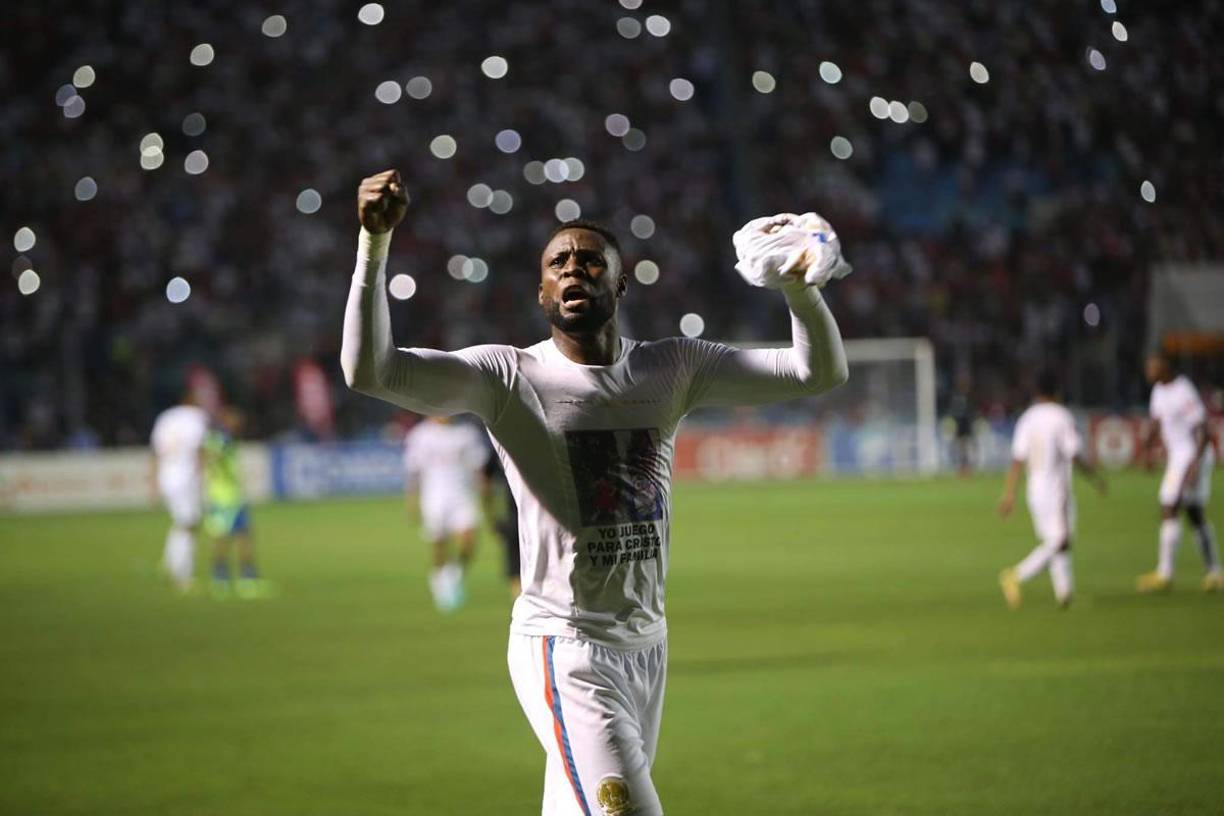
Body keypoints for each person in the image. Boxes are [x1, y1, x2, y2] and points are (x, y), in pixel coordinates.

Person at [341, 169, 849, 816]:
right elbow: (370, 371)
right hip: (565, 647)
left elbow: (818, 372)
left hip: (647, 643)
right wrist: (373, 244)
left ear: (621, 281)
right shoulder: (508, 376)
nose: (574, 269)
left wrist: (800, 292)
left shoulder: (673, 366)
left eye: (589, 260)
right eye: (559, 263)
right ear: (542, 290)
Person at [996, 370, 1107, 609]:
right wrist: (1095, 478)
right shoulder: (1061, 416)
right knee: (1061, 539)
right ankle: (1015, 575)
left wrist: (1009, 495)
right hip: (1056, 488)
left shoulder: (1027, 418)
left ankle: (1064, 594)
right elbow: (1074, 454)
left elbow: (1017, 460)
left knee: (1055, 539)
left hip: (1034, 489)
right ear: (1057, 391)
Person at [1136, 352, 1221, 592]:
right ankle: (1214, 572)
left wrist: (1194, 464)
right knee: (1194, 513)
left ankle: (1165, 573)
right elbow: (1156, 422)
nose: (1148, 371)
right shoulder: (1159, 391)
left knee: (1169, 506)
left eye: (1152, 366)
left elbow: (1203, 428)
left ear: (1165, 366)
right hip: (1179, 457)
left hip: (1191, 456)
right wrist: (1147, 450)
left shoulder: (1183, 390)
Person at [402, 416, 490, 611]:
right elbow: (413, 471)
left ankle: (453, 576)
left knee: (469, 541)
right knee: (439, 547)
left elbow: (478, 467)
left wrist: (484, 491)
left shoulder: (467, 432)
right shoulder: (421, 435)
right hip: (434, 498)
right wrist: (411, 502)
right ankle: (438, 579)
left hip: (462, 496)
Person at [201, 407, 270, 600]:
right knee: (222, 538)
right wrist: (215, 460)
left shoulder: (223, 440)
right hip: (222, 499)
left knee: (244, 536)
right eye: (234, 419)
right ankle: (221, 578)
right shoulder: (221, 440)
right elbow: (210, 457)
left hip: (234, 497)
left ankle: (246, 579)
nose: (238, 423)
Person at [150, 398, 210, 592]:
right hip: (185, 478)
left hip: (167, 477)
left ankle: (169, 562)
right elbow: (199, 449)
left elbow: (156, 452)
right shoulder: (197, 417)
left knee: (183, 522)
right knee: (188, 524)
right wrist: (203, 479)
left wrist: (154, 483)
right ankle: (182, 575)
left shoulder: (165, 417)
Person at [482, 451, 522, 599]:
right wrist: (491, 516)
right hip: (513, 514)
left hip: (543, 513)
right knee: (514, 559)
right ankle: (518, 598)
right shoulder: (500, 447)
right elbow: (486, 478)